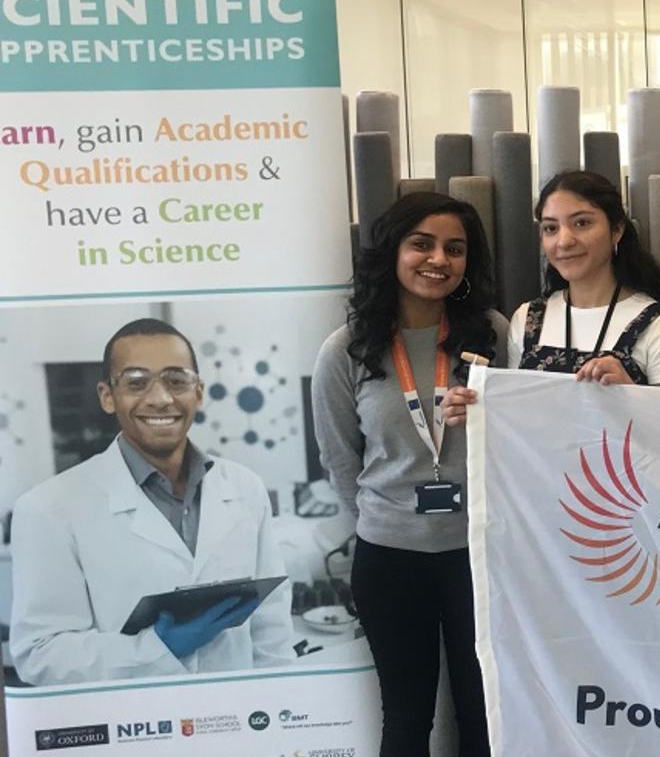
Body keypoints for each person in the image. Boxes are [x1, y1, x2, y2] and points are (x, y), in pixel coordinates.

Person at [311, 192, 508, 757]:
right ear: (393, 252)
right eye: (421, 243)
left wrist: (492, 416)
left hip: (479, 555)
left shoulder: (491, 334)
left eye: (455, 248)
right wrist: (388, 515)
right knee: (405, 718)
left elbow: (523, 438)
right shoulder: (347, 349)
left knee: (484, 712)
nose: (438, 259)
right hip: (389, 557)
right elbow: (340, 459)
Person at [10, 318, 294, 686]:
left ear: (199, 392)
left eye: (176, 380)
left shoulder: (245, 488)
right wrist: (158, 649)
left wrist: (280, 710)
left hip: (240, 724)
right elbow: (40, 653)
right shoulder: (48, 508)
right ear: (107, 396)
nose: (160, 398)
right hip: (133, 730)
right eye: (136, 382)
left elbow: (271, 627)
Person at [441, 171, 660, 430]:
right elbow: (518, 423)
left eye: (582, 223)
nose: (564, 240)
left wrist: (629, 393)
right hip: (536, 471)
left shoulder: (659, 325)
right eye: (550, 228)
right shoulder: (527, 319)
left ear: (616, 230)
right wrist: (477, 410)